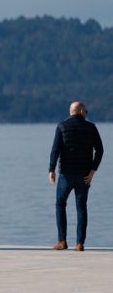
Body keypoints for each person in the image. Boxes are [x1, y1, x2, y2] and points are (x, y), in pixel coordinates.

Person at [48, 101, 103, 251]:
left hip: (66, 174)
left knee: (60, 204)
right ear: (80, 111)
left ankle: (62, 241)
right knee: (81, 208)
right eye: (86, 111)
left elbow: (55, 150)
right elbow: (100, 150)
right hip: (84, 175)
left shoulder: (61, 126)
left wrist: (51, 169)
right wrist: (93, 171)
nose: (87, 113)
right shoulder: (91, 127)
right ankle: (80, 243)